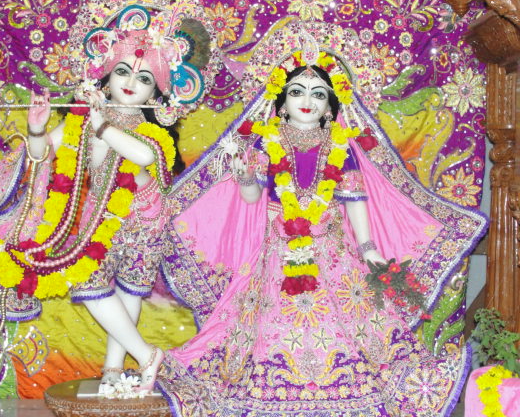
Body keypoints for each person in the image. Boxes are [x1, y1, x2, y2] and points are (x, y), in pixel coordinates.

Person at [156, 44, 487, 415]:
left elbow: (354, 199)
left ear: (330, 108)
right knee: (269, 326)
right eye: (297, 91)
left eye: (318, 94)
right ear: (282, 103)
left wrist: (368, 249)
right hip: (276, 251)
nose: (307, 101)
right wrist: (245, 175)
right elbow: (251, 198)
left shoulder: (340, 145)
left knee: (350, 326)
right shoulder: (268, 140)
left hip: (332, 249)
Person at [0, 3, 214, 393]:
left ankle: (114, 368)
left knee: (129, 288)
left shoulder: (148, 129)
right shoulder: (83, 118)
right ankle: (146, 355)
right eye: (122, 71)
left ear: (155, 93)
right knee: (90, 285)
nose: (131, 83)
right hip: (98, 215)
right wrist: (36, 130)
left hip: (144, 217)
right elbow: (41, 155)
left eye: (144, 78)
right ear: (106, 77)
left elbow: (143, 157)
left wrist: (102, 125)